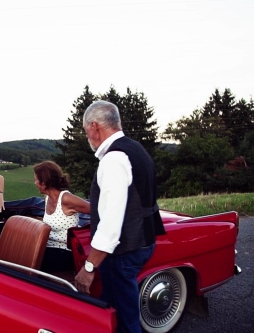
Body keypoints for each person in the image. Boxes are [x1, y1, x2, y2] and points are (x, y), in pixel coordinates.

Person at [74, 100, 166, 333]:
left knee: (125, 320)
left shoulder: (114, 159)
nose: (88, 137)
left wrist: (89, 268)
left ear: (94, 126)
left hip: (123, 251)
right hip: (142, 241)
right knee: (116, 306)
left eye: (86, 131)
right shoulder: (136, 149)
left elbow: (111, 222)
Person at [33, 161, 90, 273]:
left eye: (36, 180)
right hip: (48, 247)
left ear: (44, 183)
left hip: (65, 252)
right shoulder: (47, 198)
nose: (35, 183)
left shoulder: (66, 199)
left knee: (36, 264)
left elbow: (97, 211)